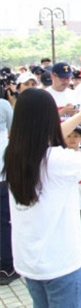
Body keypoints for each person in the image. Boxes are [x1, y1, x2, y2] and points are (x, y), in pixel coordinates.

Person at [3, 88, 81, 308]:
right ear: (49, 121)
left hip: (29, 261)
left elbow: (48, 135)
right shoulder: (59, 160)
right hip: (59, 263)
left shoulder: (12, 153)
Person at [0, 97, 16, 285]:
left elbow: (14, 132)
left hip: (3, 176)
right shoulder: (3, 105)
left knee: (3, 222)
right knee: (4, 221)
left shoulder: (3, 105)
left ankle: (8, 264)